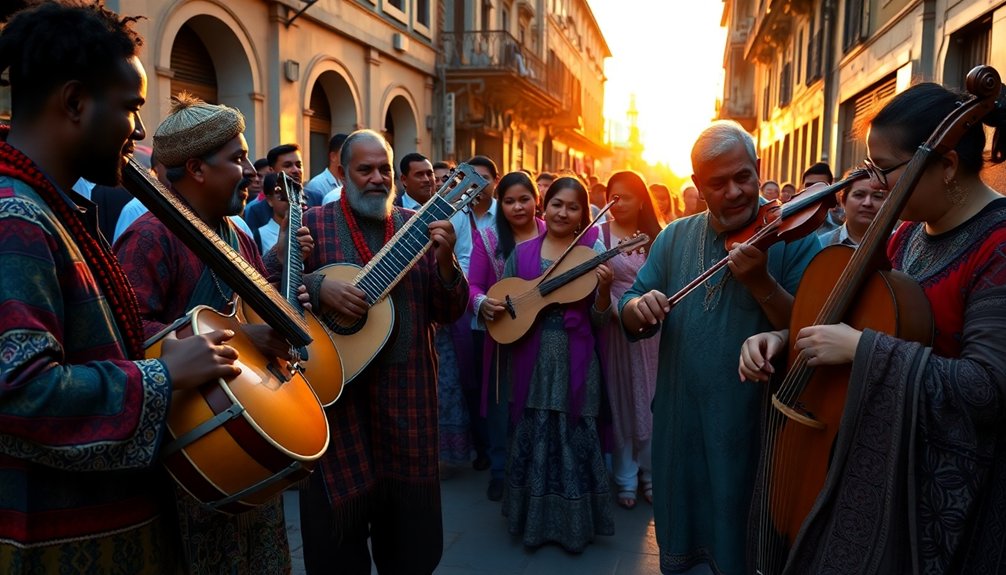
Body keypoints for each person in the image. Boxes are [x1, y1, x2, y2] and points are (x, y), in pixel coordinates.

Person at [0, 3, 240, 571]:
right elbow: (20, 392)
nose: (137, 130)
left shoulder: (52, 207)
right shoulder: (16, 217)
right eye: (130, 107)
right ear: (76, 103)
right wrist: (164, 374)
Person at [738, 81, 1006, 574]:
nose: (878, 185)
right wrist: (786, 337)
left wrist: (865, 350)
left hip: (948, 500)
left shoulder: (998, 244)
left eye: (886, 169)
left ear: (946, 166)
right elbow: (853, 317)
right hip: (880, 465)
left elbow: (988, 388)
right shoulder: (905, 234)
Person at [618, 120, 821, 574]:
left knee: (742, 536)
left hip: (752, 426)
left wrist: (761, 282)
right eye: (718, 183)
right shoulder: (674, 236)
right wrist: (637, 308)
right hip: (681, 420)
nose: (734, 192)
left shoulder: (796, 237)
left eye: (743, 177)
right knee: (682, 529)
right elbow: (631, 305)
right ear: (697, 186)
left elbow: (810, 329)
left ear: (758, 168)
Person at [115, 93, 298, 574]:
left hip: (249, 437)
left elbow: (256, 315)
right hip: (195, 458)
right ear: (196, 169)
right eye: (237, 159)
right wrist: (241, 340)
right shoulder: (151, 236)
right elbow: (127, 331)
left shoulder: (237, 235)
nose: (251, 171)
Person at [293, 129, 468, 575]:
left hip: (407, 404)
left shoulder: (421, 228)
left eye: (384, 169)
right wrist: (318, 285)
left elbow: (448, 311)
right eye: (364, 169)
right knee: (336, 546)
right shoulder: (312, 222)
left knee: (411, 546)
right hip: (338, 407)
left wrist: (447, 263)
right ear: (341, 172)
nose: (377, 178)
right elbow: (276, 293)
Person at [498, 176, 616, 552]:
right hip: (532, 360)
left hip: (575, 357)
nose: (563, 212)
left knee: (571, 433)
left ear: (584, 214)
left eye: (573, 206)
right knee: (533, 432)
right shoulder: (523, 253)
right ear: (543, 207)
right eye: (557, 204)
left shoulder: (592, 252)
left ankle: (574, 527)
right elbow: (506, 304)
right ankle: (529, 521)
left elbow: (600, 322)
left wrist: (602, 292)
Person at [467, 170, 545, 501]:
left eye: (524, 199)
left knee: (537, 402)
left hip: (544, 336)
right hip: (503, 337)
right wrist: (482, 303)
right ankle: (500, 470)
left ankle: (536, 468)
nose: (517, 207)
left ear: (536, 201)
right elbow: (472, 286)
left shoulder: (552, 233)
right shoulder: (488, 239)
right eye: (509, 201)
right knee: (502, 403)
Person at [599, 170, 664, 510]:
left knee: (651, 400)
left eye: (625, 196)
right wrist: (616, 313)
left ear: (641, 200)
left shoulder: (659, 236)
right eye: (612, 196)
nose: (617, 203)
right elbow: (598, 285)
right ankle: (625, 477)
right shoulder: (599, 235)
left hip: (653, 331)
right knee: (622, 399)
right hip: (616, 328)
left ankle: (651, 475)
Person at [817, 168, 888, 246]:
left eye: (877, 196)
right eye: (859, 195)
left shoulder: (898, 245)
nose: (867, 203)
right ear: (843, 201)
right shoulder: (821, 245)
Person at [307, 132, 346, 203]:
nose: (349, 157)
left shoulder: (346, 183)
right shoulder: (316, 185)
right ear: (333, 157)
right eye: (345, 153)